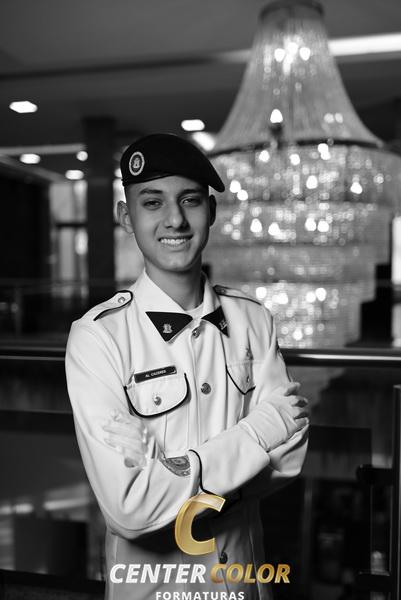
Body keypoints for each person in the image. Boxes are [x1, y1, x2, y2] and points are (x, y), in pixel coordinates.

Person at [65, 133, 309, 600]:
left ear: (211, 211)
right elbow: (130, 507)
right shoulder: (98, 337)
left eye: (190, 200)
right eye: (152, 202)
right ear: (126, 217)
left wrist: (172, 474)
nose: (175, 219)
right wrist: (258, 433)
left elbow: (291, 459)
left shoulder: (254, 320)